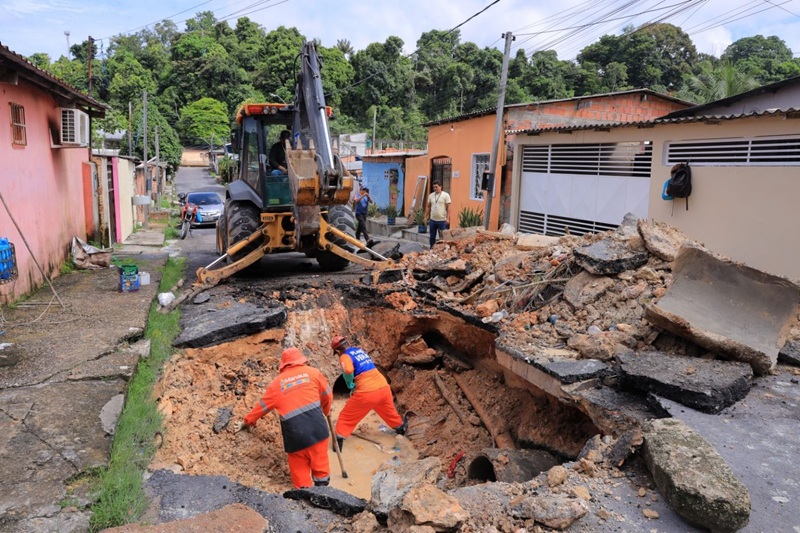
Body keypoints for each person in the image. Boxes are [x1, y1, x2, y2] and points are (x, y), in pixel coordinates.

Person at [234, 347, 333, 489]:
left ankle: (303, 495)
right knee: (320, 465)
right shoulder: (314, 373)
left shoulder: (276, 384)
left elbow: (261, 407)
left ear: (284, 364)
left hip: (295, 436)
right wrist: (326, 410)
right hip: (318, 429)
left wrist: (247, 422)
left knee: (299, 471)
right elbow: (327, 395)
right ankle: (323, 490)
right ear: (301, 360)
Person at [331, 335, 408, 451]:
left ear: (337, 350)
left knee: (346, 417)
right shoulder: (358, 351)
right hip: (383, 387)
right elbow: (363, 369)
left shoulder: (344, 356)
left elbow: (348, 370)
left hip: (367, 392)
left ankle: (338, 443)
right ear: (347, 342)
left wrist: (349, 383)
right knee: (388, 411)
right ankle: (400, 428)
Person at [424, 181, 451, 248]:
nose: (435, 188)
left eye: (436, 187)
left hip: (442, 220)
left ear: (440, 186)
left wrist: (448, 218)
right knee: (432, 237)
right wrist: (425, 217)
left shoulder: (446, 195)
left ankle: (442, 249)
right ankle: (431, 249)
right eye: (434, 187)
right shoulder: (431, 195)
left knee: (442, 237)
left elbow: (449, 207)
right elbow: (428, 207)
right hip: (433, 220)